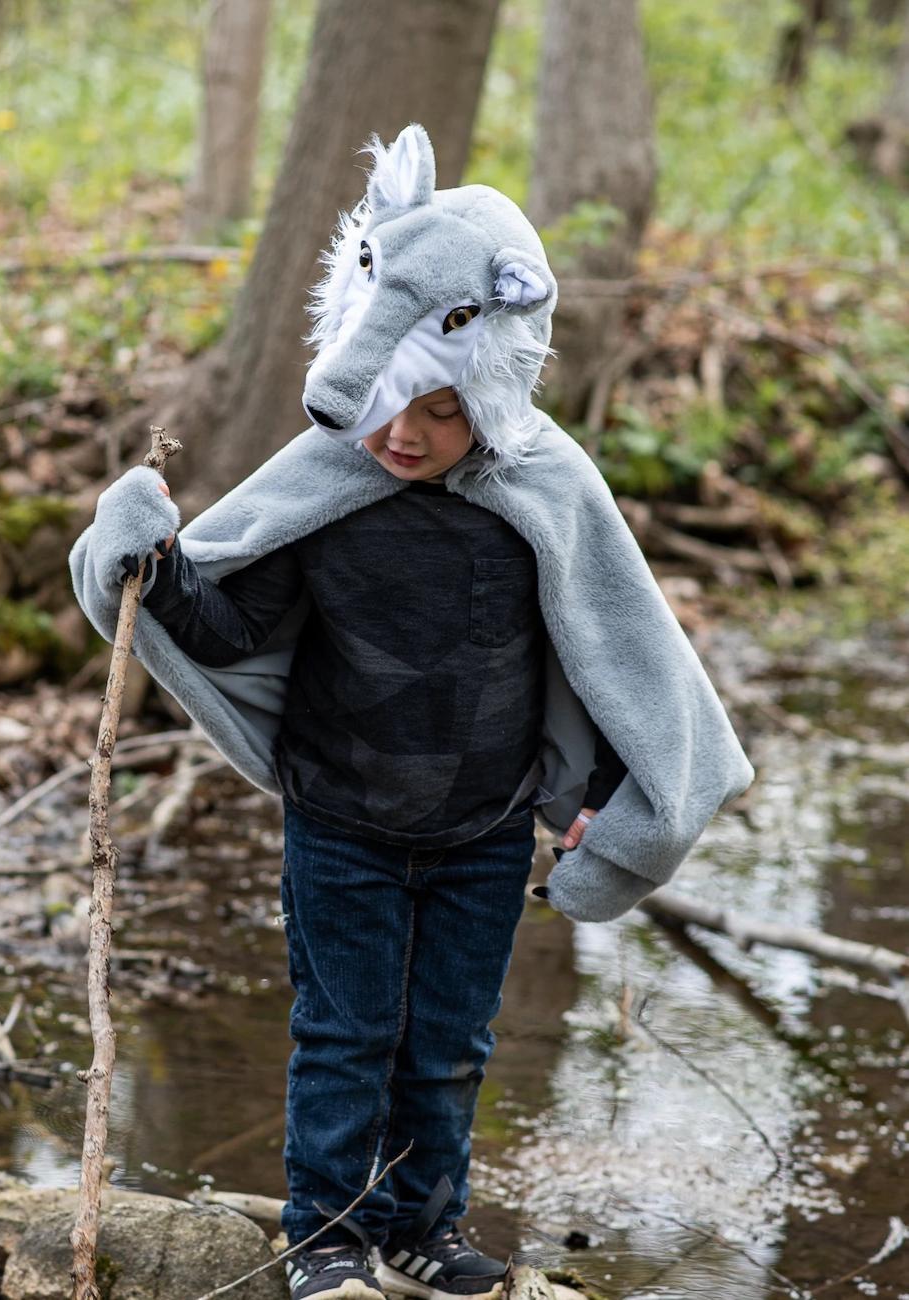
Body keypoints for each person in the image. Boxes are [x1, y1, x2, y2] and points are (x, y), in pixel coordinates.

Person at [69, 124, 753, 1300]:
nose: (403, 434)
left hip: (484, 828)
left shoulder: (544, 492)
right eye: (388, 404)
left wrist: (600, 804)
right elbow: (234, 628)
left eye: (437, 410)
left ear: (490, 384)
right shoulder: (327, 484)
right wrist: (151, 559)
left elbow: (598, 656)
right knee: (344, 1036)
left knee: (445, 1046)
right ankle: (326, 1232)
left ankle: (421, 1227)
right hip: (339, 817)